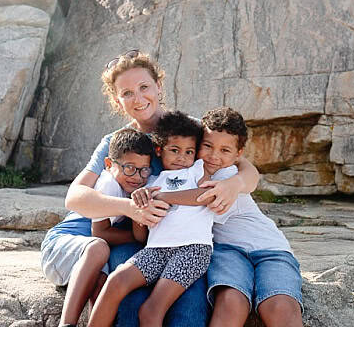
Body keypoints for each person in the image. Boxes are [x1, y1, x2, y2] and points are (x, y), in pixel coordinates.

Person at [62, 49, 263, 326]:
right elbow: (74, 197)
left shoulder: (191, 129)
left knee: (191, 303)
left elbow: (247, 169)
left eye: (144, 87)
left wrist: (234, 185)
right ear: (117, 101)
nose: (138, 98)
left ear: (159, 86)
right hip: (138, 236)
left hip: (187, 240)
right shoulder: (116, 141)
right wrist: (131, 207)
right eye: (127, 92)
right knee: (131, 299)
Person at [88, 112, 226, 326]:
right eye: (175, 150)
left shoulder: (196, 171)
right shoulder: (151, 180)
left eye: (189, 151)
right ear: (159, 151)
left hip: (192, 249)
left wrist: (163, 196)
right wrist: (138, 212)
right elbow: (140, 236)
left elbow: (203, 196)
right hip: (155, 249)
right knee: (115, 282)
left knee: (151, 310)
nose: (182, 157)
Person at [40, 128, 154, 326]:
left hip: (86, 258)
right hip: (60, 249)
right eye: (129, 168)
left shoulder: (132, 187)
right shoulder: (109, 184)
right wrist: (137, 236)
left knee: (103, 282)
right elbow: (99, 232)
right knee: (98, 247)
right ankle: (66, 326)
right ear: (109, 164)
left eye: (144, 169)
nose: (137, 176)